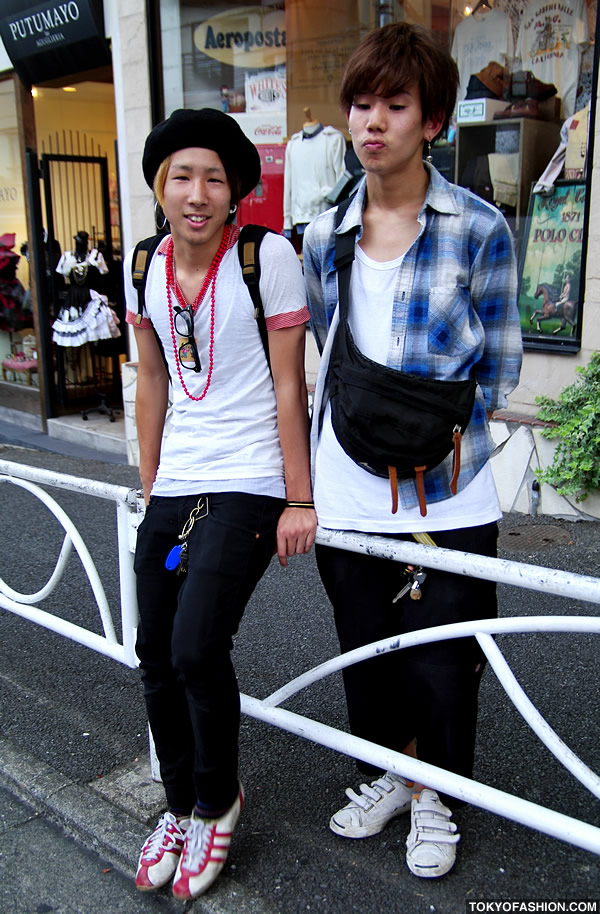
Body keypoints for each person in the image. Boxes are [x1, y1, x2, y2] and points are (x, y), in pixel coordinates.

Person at [303, 23, 522, 879]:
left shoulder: (479, 228)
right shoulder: (324, 236)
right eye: (361, 104)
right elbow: (327, 348)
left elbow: (498, 363)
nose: (372, 122)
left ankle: (438, 797)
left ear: (432, 120)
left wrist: (436, 429)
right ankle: (392, 772)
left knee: (444, 655)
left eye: (395, 105)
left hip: (449, 487)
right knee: (368, 649)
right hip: (349, 481)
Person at [124, 108, 317, 901]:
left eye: (213, 177)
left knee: (199, 646)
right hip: (176, 482)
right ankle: (175, 806)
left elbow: (287, 381)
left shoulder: (264, 255)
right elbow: (152, 378)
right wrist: (149, 485)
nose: (196, 193)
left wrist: (298, 498)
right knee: (155, 654)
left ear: (237, 188)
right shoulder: (142, 261)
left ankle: (216, 800)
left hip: (249, 479)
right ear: (160, 188)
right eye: (180, 177)